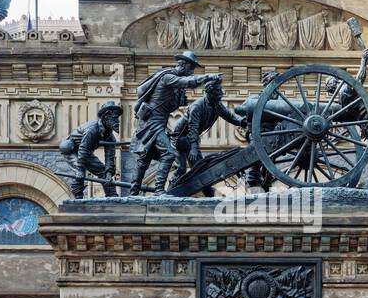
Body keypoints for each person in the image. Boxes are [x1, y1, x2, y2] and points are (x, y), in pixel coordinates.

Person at [129, 51, 220, 195]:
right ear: (183, 66)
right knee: (169, 153)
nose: (191, 72)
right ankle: (159, 190)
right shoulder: (168, 77)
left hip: (158, 123)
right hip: (152, 123)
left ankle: (134, 192)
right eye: (191, 68)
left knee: (144, 158)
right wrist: (207, 77)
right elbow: (188, 82)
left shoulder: (175, 84)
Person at [171, 78, 246, 194]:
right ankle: (170, 192)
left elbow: (230, 116)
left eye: (221, 92)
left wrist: (242, 121)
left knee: (201, 171)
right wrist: (194, 149)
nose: (221, 95)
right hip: (179, 140)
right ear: (209, 93)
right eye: (218, 93)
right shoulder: (197, 106)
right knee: (180, 170)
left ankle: (208, 192)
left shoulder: (217, 105)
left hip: (189, 141)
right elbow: (193, 128)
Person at [59, 103, 122, 199]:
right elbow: (83, 149)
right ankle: (78, 196)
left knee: (103, 172)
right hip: (71, 150)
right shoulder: (92, 129)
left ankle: (112, 196)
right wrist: (80, 169)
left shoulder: (110, 137)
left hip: (85, 152)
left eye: (117, 118)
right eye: (114, 118)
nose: (117, 122)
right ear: (106, 117)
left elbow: (110, 156)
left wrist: (109, 173)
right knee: (79, 172)